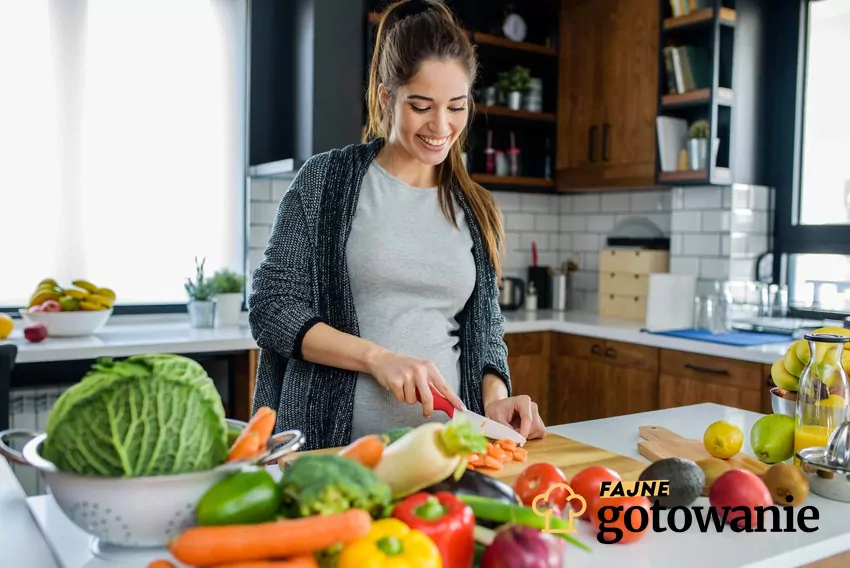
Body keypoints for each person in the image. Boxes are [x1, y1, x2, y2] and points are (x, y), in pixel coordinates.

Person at [248, 0, 546, 451]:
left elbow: (484, 331)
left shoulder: (475, 205)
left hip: (444, 456)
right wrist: (376, 359)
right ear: (388, 97)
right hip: (332, 452)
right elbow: (271, 308)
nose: (441, 126)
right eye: (422, 106)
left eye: (456, 107)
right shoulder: (325, 182)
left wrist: (497, 399)